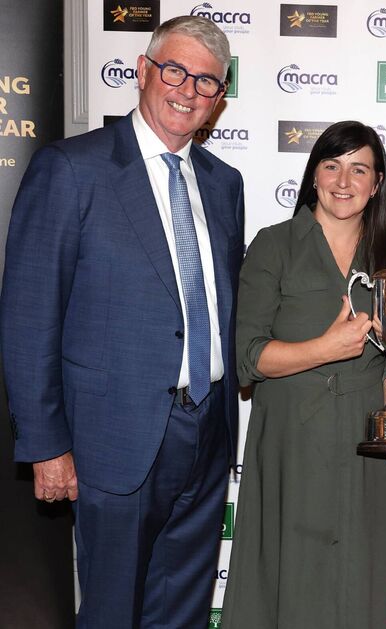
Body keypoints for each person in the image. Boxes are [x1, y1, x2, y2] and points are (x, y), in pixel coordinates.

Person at [0, 16, 244, 628]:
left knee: (182, 610)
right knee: (112, 612)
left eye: (207, 82)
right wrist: (47, 445)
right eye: (175, 71)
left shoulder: (225, 184)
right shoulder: (72, 169)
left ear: (219, 99)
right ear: (142, 71)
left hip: (207, 430)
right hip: (111, 439)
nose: (187, 90)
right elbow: (30, 315)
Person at [221, 121, 386, 629]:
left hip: (365, 442)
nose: (344, 180)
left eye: (359, 169)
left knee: (363, 580)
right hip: (291, 437)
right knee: (290, 584)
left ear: (377, 184)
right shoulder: (274, 244)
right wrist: (324, 349)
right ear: (314, 176)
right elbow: (248, 357)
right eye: (332, 165)